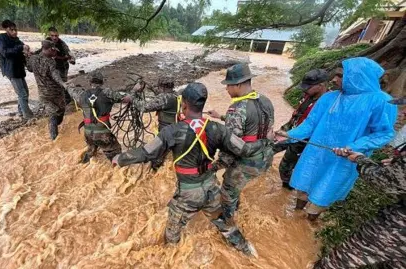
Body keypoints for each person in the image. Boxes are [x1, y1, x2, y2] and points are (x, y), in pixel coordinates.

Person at [112, 82, 271, 256]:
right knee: (226, 226)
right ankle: (249, 252)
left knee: (171, 236)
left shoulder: (171, 132)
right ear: (202, 105)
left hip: (187, 194)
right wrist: (266, 140)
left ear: (184, 104)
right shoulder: (218, 129)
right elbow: (244, 149)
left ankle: (170, 258)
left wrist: (120, 158)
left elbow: (146, 153)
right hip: (212, 189)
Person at [275, 57, 397, 221]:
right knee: (304, 185)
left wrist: (354, 146)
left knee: (323, 193)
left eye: (340, 75)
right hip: (315, 154)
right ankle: (295, 219)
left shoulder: (382, 102)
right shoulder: (329, 98)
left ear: (357, 76)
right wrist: (289, 135)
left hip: (344, 160)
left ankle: (309, 221)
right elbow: (310, 124)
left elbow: (384, 133)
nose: (334, 80)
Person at [315, 97, 405, 269]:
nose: (404, 112)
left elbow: (387, 182)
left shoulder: (377, 102)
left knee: (336, 263)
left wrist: (361, 160)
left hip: (398, 228)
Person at [208, 63, 274, 225]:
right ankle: (236, 205)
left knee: (228, 189)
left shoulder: (237, 109)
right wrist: (221, 117)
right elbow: (259, 127)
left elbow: (231, 146)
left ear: (238, 84)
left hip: (247, 160)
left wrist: (216, 166)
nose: (226, 89)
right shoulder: (265, 100)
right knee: (237, 185)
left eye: (228, 85)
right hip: (265, 157)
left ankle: (228, 221)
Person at [273, 69, 329, 190]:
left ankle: (287, 187)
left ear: (321, 85)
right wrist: (285, 129)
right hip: (290, 128)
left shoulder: (328, 103)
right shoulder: (309, 94)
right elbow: (299, 113)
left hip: (302, 140)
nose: (305, 89)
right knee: (268, 147)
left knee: (285, 166)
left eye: (309, 86)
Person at [67, 71, 129, 163]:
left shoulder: (81, 95)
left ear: (90, 82)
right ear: (102, 82)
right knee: (116, 156)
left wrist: (69, 85)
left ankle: (83, 164)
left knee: (91, 152)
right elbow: (126, 98)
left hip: (88, 134)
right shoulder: (107, 93)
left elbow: (71, 90)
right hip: (102, 134)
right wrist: (135, 92)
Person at [126, 76, 181, 170]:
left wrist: (133, 93)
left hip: (166, 132)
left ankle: (155, 170)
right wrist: (150, 86)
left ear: (162, 87)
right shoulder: (176, 95)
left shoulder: (163, 98)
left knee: (156, 156)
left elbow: (144, 107)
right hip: (177, 128)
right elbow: (161, 97)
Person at [26, 40, 68, 140]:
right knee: (55, 112)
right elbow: (55, 74)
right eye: (54, 51)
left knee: (57, 112)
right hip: (54, 93)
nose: (55, 53)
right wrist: (63, 84)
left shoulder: (33, 59)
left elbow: (29, 68)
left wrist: (27, 54)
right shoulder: (50, 61)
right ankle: (54, 139)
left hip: (44, 94)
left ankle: (54, 130)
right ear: (49, 49)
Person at [0, 20, 34, 119]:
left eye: (15, 30)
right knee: (22, 94)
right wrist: (21, 47)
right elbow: (5, 52)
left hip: (19, 69)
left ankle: (21, 112)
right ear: (6, 29)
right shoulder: (0, 38)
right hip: (10, 70)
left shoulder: (17, 40)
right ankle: (28, 116)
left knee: (25, 92)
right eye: (11, 30)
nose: (14, 32)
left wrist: (27, 51)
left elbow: (23, 49)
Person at [43, 27, 75, 104]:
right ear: (49, 35)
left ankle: (68, 99)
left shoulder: (62, 44)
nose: (54, 37)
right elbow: (41, 52)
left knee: (63, 84)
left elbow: (69, 53)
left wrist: (71, 59)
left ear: (58, 35)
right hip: (50, 67)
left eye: (56, 35)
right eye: (52, 35)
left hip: (62, 66)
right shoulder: (46, 43)